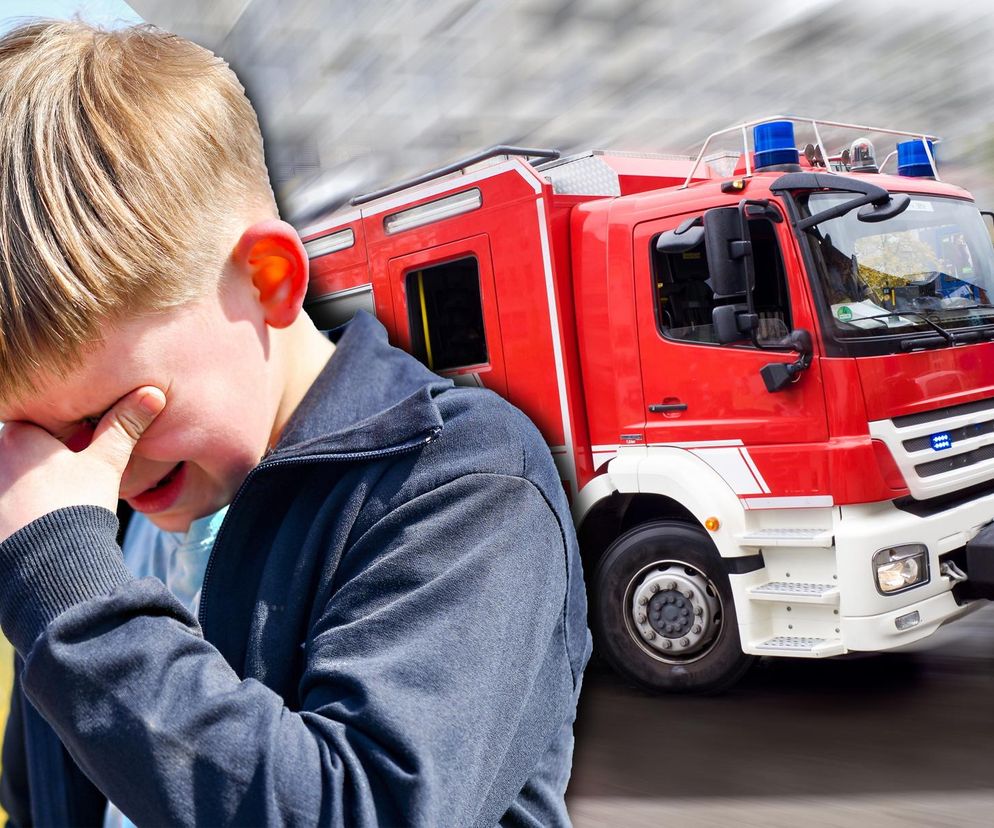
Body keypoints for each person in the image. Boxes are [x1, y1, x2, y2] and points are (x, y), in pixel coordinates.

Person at [0, 20, 589, 827]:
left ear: (270, 281)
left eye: (113, 414)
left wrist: (69, 596)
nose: (88, 465)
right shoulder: (86, 520)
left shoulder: (463, 480)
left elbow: (364, 808)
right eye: (37, 436)